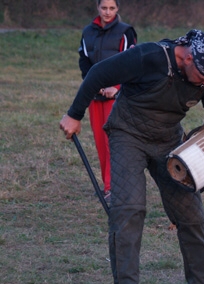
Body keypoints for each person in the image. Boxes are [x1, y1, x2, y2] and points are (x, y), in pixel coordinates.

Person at [60, 29, 204, 284]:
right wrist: (74, 115)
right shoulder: (148, 57)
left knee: (191, 213)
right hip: (127, 134)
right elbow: (97, 73)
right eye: (203, 77)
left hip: (169, 140)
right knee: (129, 209)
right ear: (186, 58)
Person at [79, 0, 137, 203]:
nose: (107, 12)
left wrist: (117, 87)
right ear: (97, 7)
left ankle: (115, 187)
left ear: (118, 9)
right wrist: (94, 86)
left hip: (117, 97)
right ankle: (107, 186)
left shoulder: (126, 32)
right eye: (104, 8)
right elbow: (84, 62)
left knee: (114, 141)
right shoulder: (87, 32)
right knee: (99, 142)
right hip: (95, 96)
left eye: (112, 8)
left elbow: (132, 62)